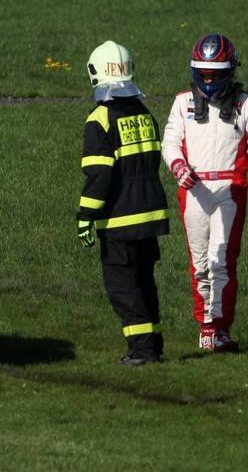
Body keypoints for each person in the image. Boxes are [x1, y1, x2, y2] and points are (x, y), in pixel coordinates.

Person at [160, 34, 248, 353]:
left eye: (215, 74)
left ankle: (220, 327)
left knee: (220, 260)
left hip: (230, 189)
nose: (208, 80)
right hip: (192, 190)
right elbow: (169, 142)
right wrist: (178, 167)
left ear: (229, 71)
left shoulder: (246, 103)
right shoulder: (182, 102)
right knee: (199, 264)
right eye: (204, 73)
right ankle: (205, 326)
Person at [76, 40, 170, 366]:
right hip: (151, 214)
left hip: (119, 220)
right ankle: (153, 346)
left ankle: (141, 352)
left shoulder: (99, 118)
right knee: (145, 282)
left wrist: (85, 215)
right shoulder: (144, 114)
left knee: (123, 287)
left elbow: (100, 175)